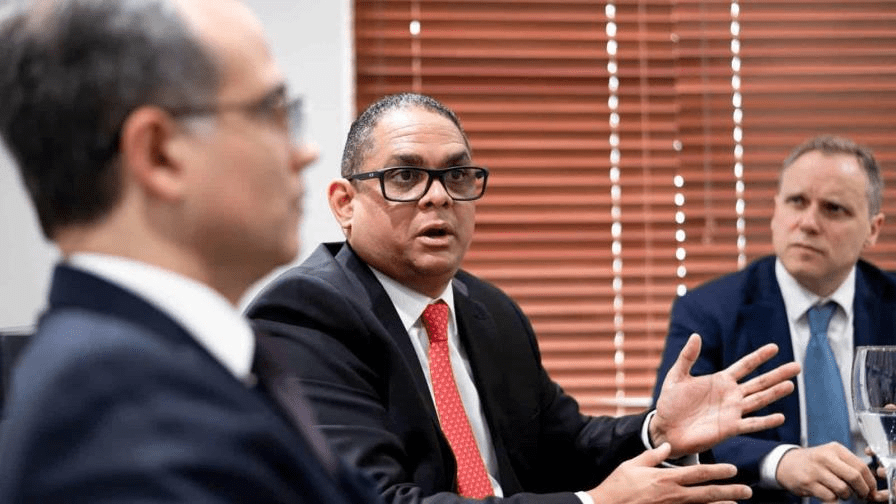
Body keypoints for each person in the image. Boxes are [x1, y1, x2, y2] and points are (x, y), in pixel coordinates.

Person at [247, 92, 803, 504]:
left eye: (457, 176)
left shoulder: (488, 311)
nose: (438, 197)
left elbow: (564, 445)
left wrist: (656, 429)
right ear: (345, 204)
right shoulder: (306, 315)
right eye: (406, 176)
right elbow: (377, 500)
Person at [0, 0, 381, 502]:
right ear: (159, 153)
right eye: (273, 113)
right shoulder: (115, 426)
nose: (305, 152)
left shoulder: (182, 367)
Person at [651, 135, 893, 503]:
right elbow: (673, 432)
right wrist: (781, 461)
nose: (808, 223)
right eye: (797, 202)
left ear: (872, 229)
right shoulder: (709, 310)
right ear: (775, 210)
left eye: (833, 209)